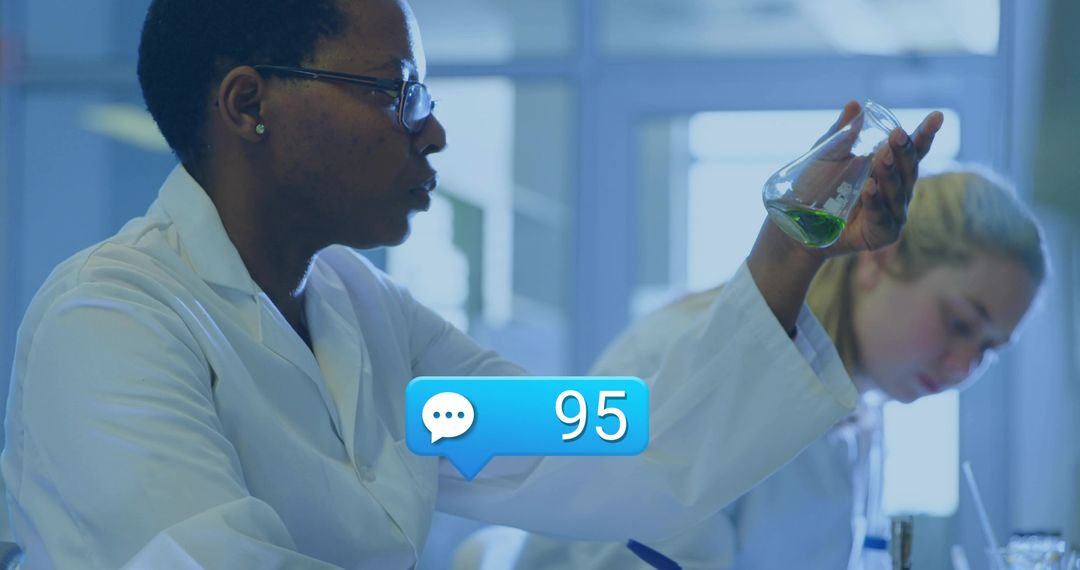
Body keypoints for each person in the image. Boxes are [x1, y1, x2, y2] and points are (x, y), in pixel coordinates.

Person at [0, 0, 942, 568]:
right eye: (396, 90)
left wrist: (790, 248)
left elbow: (607, 441)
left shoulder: (370, 323)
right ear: (250, 103)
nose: (434, 133)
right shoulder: (114, 324)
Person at [509, 169, 1047, 570]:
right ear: (881, 257)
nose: (962, 366)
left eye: (988, 351)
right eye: (958, 323)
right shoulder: (693, 363)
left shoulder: (854, 411)